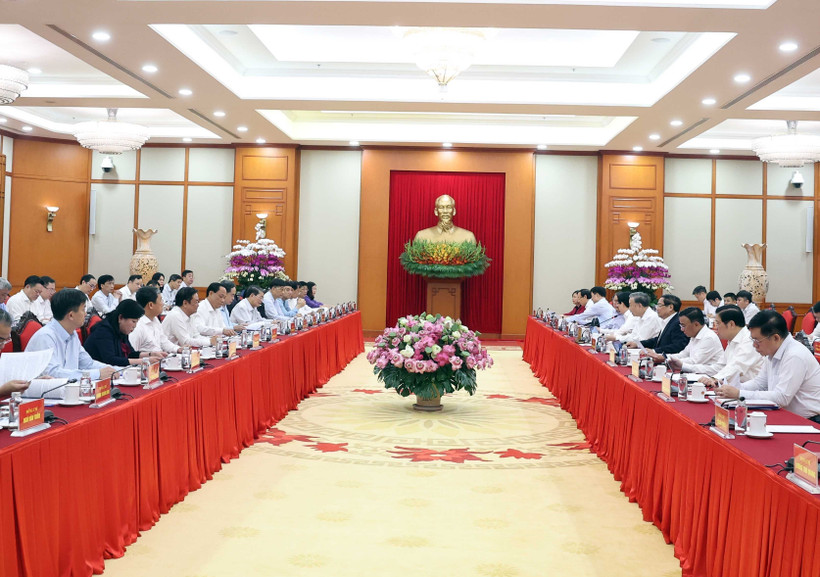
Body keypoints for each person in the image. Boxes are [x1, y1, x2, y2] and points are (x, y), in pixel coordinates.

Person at [715, 311, 820, 421]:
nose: (754, 345)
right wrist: (732, 388)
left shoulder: (795, 355)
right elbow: (760, 383)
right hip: (785, 414)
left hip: (809, 421)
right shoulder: (772, 351)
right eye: (752, 340)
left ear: (776, 338)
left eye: (757, 340)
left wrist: (739, 393)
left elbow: (782, 398)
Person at [25, 288, 118, 380]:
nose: (86, 314)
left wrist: (116, 370)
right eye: (83, 309)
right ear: (71, 315)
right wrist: (97, 374)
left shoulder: (72, 334)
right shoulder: (46, 336)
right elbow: (53, 373)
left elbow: (88, 364)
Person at [699, 305, 763, 387]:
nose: (716, 327)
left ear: (731, 324)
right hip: (734, 388)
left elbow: (737, 367)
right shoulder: (732, 340)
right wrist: (686, 367)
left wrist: (714, 378)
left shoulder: (749, 340)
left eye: (718, 323)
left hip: (750, 392)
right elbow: (720, 366)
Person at [83, 299, 155, 366]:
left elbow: (130, 354)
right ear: (121, 318)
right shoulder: (103, 331)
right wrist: (143, 361)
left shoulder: (121, 329)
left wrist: (151, 354)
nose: (134, 326)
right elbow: (110, 360)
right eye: (133, 321)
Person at [665, 307, 725, 375]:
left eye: (683, 326)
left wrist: (673, 361)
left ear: (696, 324)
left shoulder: (709, 338)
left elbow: (694, 361)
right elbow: (683, 354)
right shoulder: (694, 335)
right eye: (681, 325)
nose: (682, 329)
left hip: (710, 377)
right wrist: (666, 357)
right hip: (698, 374)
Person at [129, 287, 179, 355]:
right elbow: (131, 354)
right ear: (151, 305)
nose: (163, 303)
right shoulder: (137, 326)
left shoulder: (155, 319)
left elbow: (163, 341)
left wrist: (178, 349)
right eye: (161, 300)